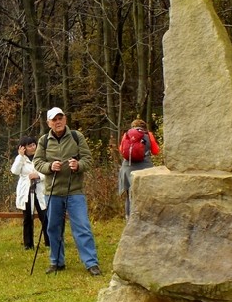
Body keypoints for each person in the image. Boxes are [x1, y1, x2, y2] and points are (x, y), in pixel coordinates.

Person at [33, 107, 101, 276]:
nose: (58, 122)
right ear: (48, 123)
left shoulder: (77, 137)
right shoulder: (44, 141)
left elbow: (88, 159)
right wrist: (50, 166)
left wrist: (78, 165)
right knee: (53, 228)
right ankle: (56, 262)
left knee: (82, 227)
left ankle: (91, 263)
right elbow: (37, 162)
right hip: (53, 192)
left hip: (75, 191)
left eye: (60, 118)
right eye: (54, 119)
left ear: (65, 119)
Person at [117, 118, 160, 219]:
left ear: (132, 127)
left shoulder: (127, 135)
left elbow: (121, 150)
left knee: (129, 195)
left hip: (127, 168)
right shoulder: (149, 135)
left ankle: (129, 219)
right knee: (146, 195)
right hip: (145, 169)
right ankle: (144, 219)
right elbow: (156, 151)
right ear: (145, 127)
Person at [11, 136, 48, 250]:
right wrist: (20, 156)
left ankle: (49, 242)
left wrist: (38, 176)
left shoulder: (42, 157)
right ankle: (28, 244)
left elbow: (48, 172)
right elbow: (15, 171)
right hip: (26, 191)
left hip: (40, 190)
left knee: (45, 216)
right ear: (23, 148)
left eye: (33, 145)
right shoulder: (21, 159)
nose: (33, 147)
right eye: (29, 146)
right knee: (27, 218)